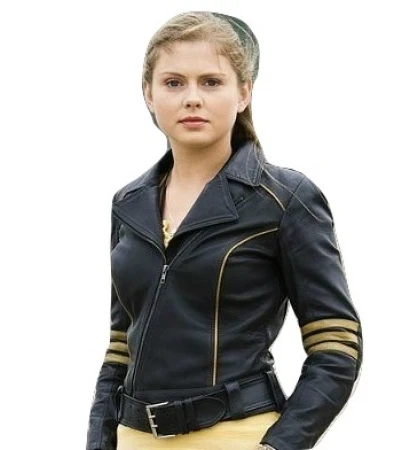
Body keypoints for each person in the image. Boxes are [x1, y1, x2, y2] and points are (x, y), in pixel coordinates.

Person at [86, 11, 363, 450]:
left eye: (211, 82)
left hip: (238, 436)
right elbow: (121, 346)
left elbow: (336, 344)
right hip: (133, 438)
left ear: (243, 93)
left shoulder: (285, 198)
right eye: (173, 82)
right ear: (149, 94)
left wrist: (278, 446)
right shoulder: (128, 203)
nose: (192, 98)